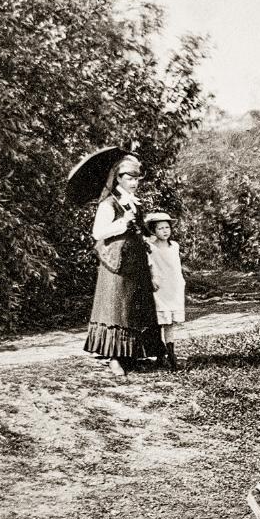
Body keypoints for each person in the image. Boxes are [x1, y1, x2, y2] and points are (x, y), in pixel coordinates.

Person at [84, 154, 161, 376]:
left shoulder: (134, 203)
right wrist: (121, 222)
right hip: (115, 261)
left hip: (135, 259)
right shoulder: (109, 204)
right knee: (116, 306)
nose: (134, 183)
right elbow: (97, 233)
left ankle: (131, 354)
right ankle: (114, 357)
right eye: (129, 178)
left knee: (133, 305)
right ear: (118, 178)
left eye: (137, 179)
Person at [144, 212, 185, 371]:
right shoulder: (151, 247)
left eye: (167, 227)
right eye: (160, 228)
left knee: (170, 323)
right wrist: (152, 279)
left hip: (173, 286)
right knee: (160, 320)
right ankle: (160, 354)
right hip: (159, 286)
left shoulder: (174, 246)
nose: (165, 231)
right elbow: (149, 266)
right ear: (154, 231)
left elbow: (176, 266)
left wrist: (181, 281)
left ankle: (172, 354)